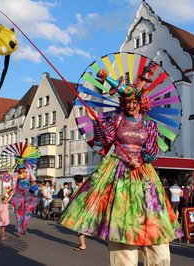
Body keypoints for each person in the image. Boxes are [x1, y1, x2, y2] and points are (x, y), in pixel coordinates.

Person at [60, 64, 182, 266]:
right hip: (118, 172)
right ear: (122, 103)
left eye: (134, 101)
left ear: (140, 102)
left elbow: (152, 149)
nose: (131, 105)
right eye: (127, 101)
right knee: (122, 231)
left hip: (143, 175)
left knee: (155, 231)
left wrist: (142, 158)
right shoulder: (115, 119)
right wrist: (96, 122)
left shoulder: (150, 124)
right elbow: (103, 140)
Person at [10, 158, 39, 236]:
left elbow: (33, 181)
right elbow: (14, 184)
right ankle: (19, 229)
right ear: (18, 168)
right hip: (19, 194)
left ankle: (24, 226)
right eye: (20, 169)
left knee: (27, 212)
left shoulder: (29, 173)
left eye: (23, 168)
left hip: (28, 194)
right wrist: (10, 192)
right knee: (18, 212)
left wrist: (34, 186)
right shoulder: (16, 174)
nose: (22, 170)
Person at [72, 175, 87, 251]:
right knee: (81, 228)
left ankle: (83, 245)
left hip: (79, 211)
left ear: (76, 181)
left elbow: (74, 198)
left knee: (79, 228)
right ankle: (82, 243)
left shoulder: (78, 189)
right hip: (85, 210)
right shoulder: (87, 187)